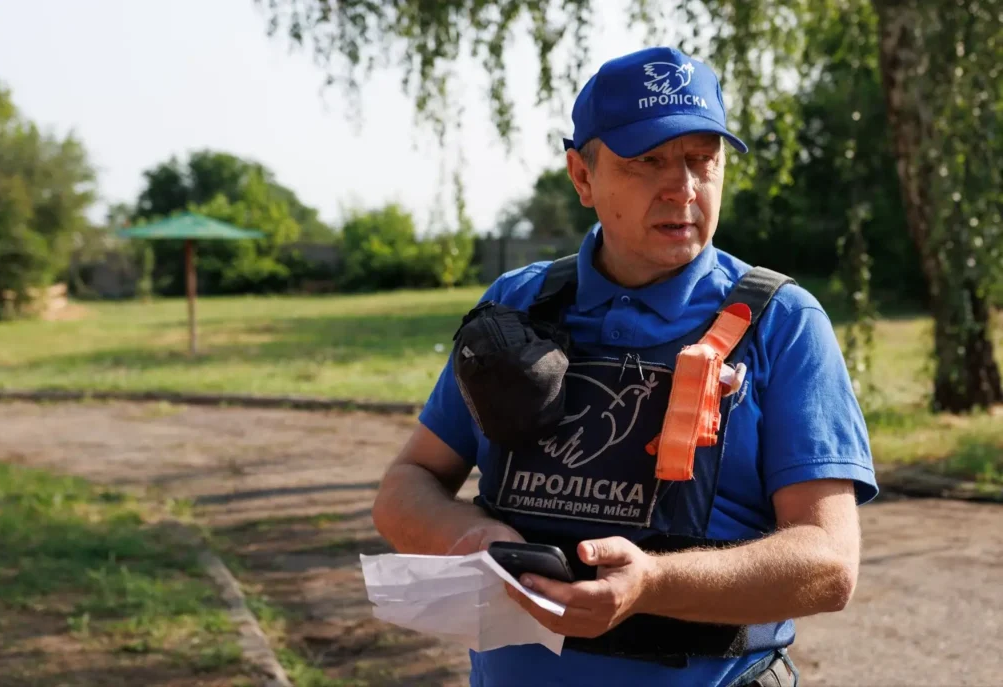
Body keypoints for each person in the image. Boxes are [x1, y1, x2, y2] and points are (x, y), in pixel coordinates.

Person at [372, 45, 878, 687]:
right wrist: (473, 542)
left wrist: (652, 585)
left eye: (703, 159)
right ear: (582, 177)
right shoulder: (516, 305)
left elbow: (830, 563)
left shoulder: (782, 321)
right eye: (649, 161)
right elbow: (405, 488)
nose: (684, 187)